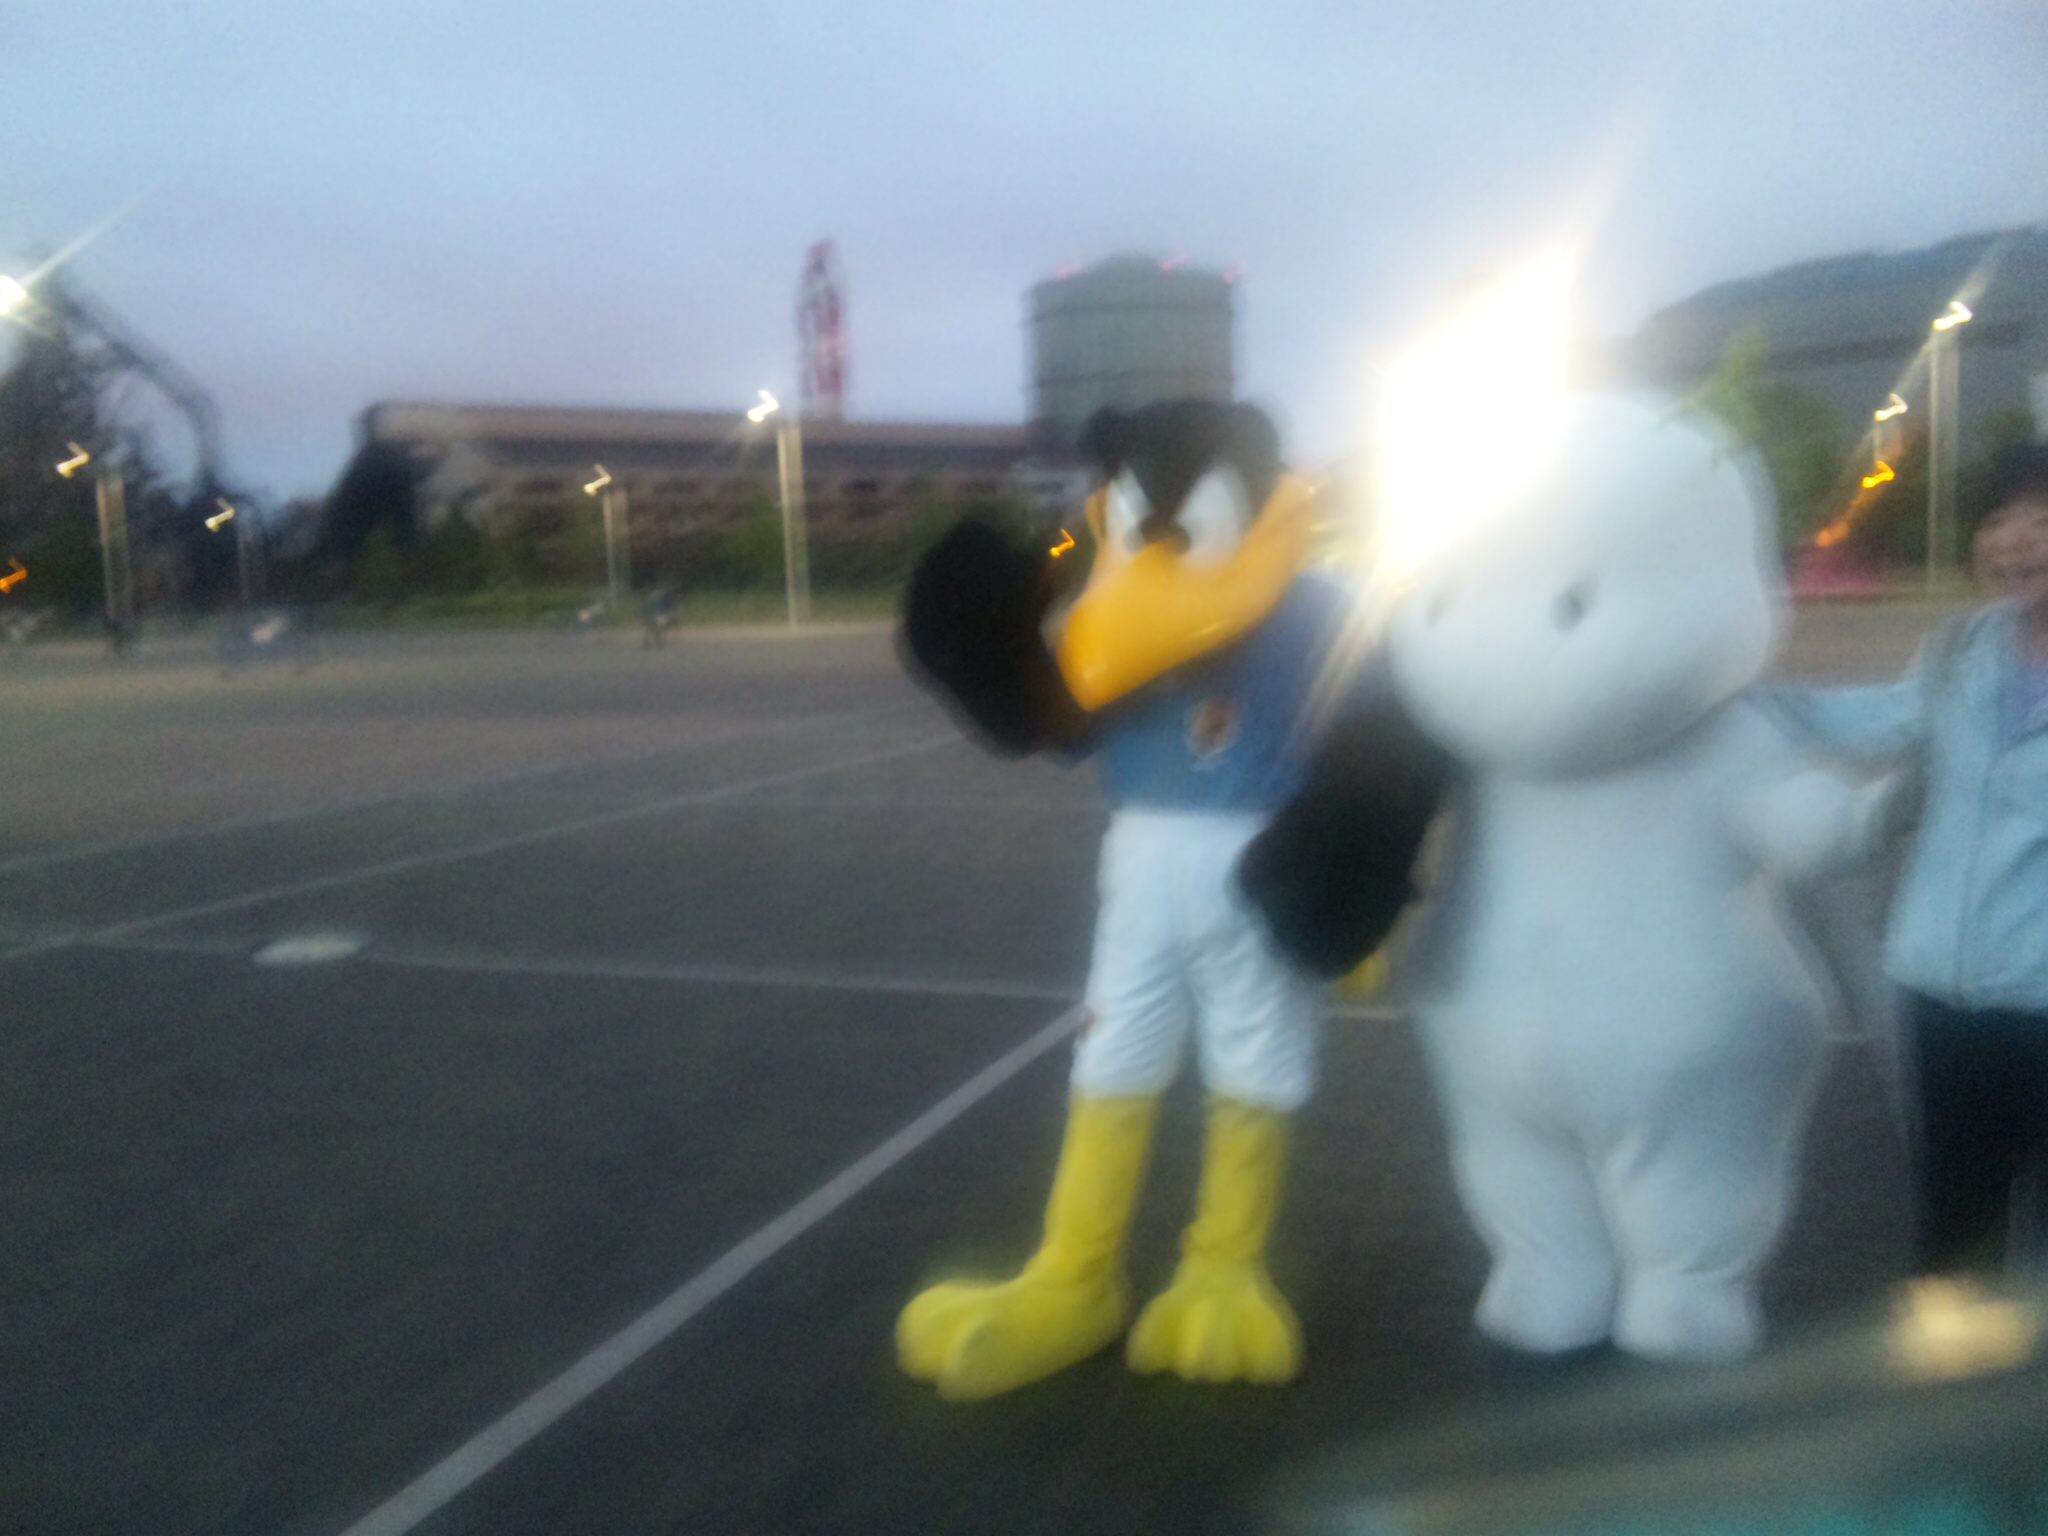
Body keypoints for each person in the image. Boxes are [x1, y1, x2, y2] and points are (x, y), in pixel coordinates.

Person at [1768, 442, 2048, 1277]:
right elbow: (1876, 717)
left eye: (2039, 520)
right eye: (1998, 521)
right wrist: (1739, 695)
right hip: (1939, 992)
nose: (2014, 541)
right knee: (1955, 1223)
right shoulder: (1961, 649)